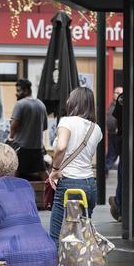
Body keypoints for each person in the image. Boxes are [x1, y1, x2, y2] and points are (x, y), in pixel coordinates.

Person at [48, 87, 103, 244]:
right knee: (81, 235)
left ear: (75, 102)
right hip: (89, 185)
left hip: (69, 183)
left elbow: (61, 147)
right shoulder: (96, 129)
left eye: (69, 98)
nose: (67, 101)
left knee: (56, 236)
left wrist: (55, 170)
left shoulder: (67, 121)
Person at [6, 78, 48, 181]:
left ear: (26, 91)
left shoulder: (20, 104)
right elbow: (45, 127)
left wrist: (11, 137)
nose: (16, 93)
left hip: (22, 148)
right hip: (37, 148)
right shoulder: (41, 105)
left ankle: (7, 195)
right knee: (43, 174)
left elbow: (14, 125)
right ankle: (52, 194)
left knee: (13, 173)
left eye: (19, 91)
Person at [109, 91, 124, 222]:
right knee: (123, 172)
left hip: (122, 138)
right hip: (125, 138)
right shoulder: (122, 98)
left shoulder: (122, 98)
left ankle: (119, 204)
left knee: (122, 173)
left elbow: (116, 118)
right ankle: (119, 204)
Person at [105, 87, 123, 175]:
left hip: (118, 134)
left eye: (118, 93)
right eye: (115, 92)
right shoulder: (112, 104)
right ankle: (105, 170)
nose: (116, 94)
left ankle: (105, 170)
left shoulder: (121, 104)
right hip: (111, 133)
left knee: (113, 155)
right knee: (111, 154)